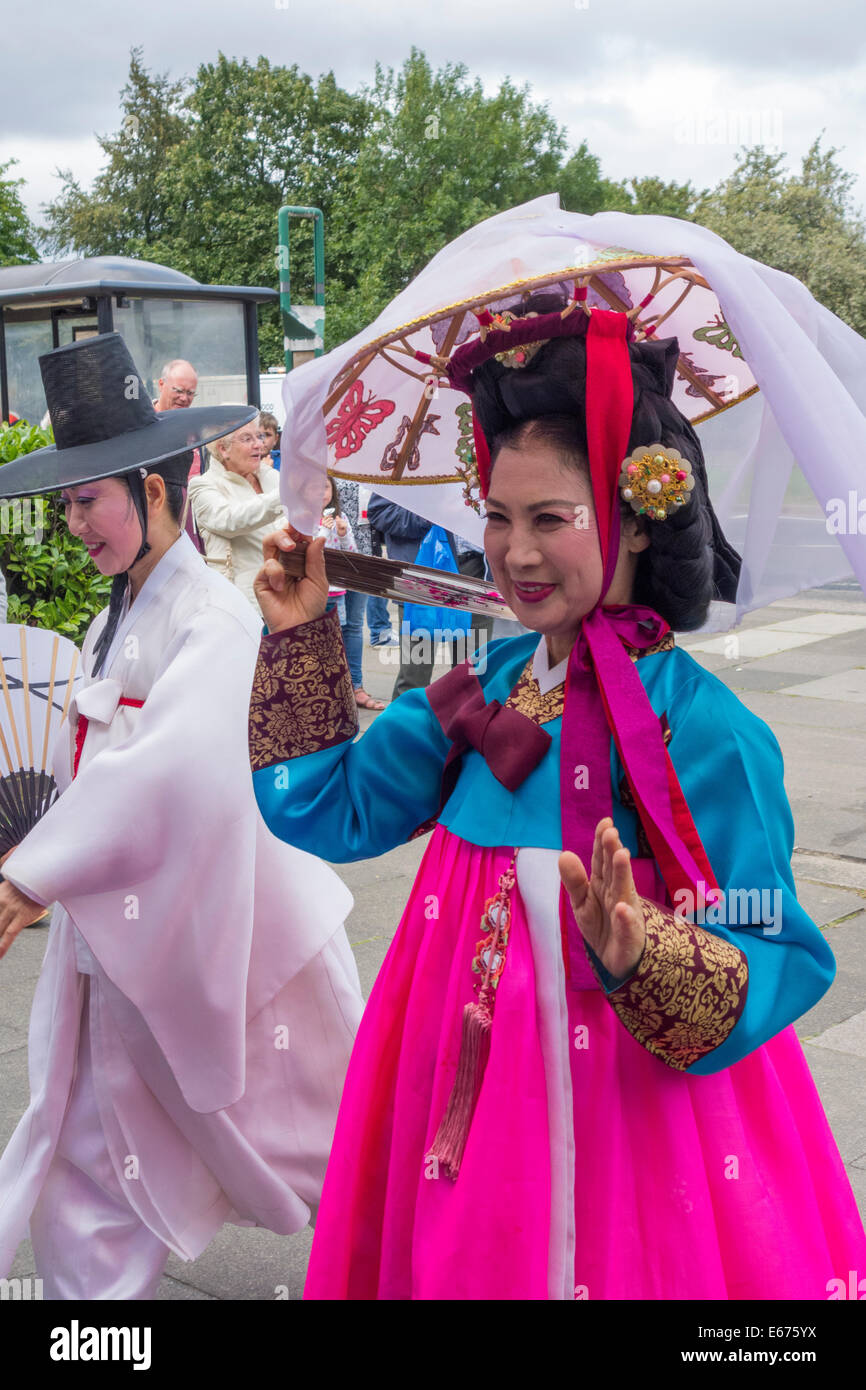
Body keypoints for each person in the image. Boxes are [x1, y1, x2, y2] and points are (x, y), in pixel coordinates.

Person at [248, 299, 866, 1300]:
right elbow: (321, 808)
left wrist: (643, 952)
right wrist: (297, 637)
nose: (514, 552)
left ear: (633, 516)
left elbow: (781, 944)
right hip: (463, 1090)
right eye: (497, 516)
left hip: (638, 1109)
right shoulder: (474, 693)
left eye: (549, 519)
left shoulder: (701, 730)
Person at [0, 333, 364, 1300]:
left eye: (89, 500)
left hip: (241, 933)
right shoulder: (110, 617)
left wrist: (33, 870)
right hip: (121, 928)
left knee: (337, 1140)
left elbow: (174, 770)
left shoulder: (216, 615)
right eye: (67, 503)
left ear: (151, 491)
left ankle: (432, 1258)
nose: (75, 523)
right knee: (85, 1140)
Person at [189, 418, 287, 611]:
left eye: (259, 436)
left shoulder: (272, 477)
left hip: (288, 597)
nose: (259, 444)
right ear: (223, 449)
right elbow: (230, 520)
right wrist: (287, 495)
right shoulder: (203, 485)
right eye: (247, 439)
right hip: (243, 605)